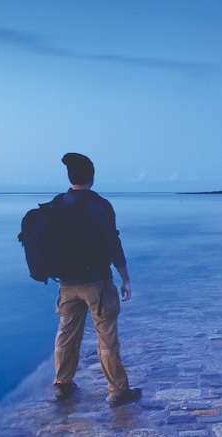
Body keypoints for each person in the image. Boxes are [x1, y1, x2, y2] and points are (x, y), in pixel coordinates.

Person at [51, 152, 141, 407]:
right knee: (106, 337)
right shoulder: (100, 206)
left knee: (66, 335)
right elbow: (113, 243)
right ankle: (118, 391)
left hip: (66, 283)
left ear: (70, 177)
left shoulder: (57, 204)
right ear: (92, 177)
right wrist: (125, 278)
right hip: (97, 283)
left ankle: (62, 385)